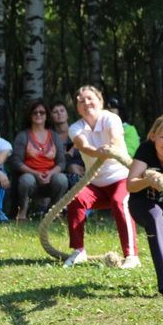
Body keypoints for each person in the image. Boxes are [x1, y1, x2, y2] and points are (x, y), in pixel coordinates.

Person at [64, 85, 140, 269]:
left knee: (119, 202)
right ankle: (78, 251)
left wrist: (110, 147)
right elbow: (82, 145)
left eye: (90, 98)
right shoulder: (76, 127)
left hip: (121, 178)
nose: (86, 103)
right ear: (77, 108)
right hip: (95, 183)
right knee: (76, 200)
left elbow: (114, 137)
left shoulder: (111, 118)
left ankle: (131, 256)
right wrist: (97, 152)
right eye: (81, 101)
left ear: (100, 101)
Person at [126, 114, 163, 291]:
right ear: (153, 136)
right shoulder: (146, 150)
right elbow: (130, 184)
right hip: (142, 202)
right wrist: (149, 181)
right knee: (155, 216)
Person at [10, 100, 68, 222]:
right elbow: (16, 162)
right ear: (30, 116)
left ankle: (52, 213)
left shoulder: (54, 136)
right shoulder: (23, 135)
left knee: (62, 179)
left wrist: (50, 173)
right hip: (30, 178)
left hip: (50, 177)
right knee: (27, 180)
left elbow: (61, 162)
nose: (38, 115)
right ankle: (22, 213)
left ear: (47, 116)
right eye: (35, 112)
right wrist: (36, 173)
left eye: (42, 112)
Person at [50, 101, 86, 184]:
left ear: (67, 114)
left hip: (84, 172)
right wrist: (68, 167)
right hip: (60, 175)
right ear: (51, 117)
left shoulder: (77, 131)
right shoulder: (50, 137)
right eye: (55, 112)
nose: (59, 113)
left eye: (62, 110)